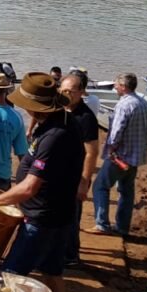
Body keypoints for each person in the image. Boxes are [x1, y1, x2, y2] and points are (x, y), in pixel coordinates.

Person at [0, 73, 84, 292]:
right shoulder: (64, 122)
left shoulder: (54, 136)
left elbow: (29, 187)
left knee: (9, 276)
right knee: (52, 273)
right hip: (59, 215)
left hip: (41, 221)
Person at [86, 73, 147, 236]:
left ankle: (102, 224)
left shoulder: (124, 105)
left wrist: (110, 149)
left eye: (116, 84)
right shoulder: (144, 103)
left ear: (123, 86)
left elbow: (116, 133)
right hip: (136, 156)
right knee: (126, 191)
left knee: (100, 186)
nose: (114, 86)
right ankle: (122, 226)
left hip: (120, 155)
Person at [59, 71, 100, 266]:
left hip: (75, 176)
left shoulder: (86, 117)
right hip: (59, 172)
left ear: (81, 92)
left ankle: (71, 256)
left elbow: (92, 152)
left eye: (71, 91)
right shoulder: (59, 109)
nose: (66, 94)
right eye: (63, 90)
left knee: (71, 217)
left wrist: (84, 182)